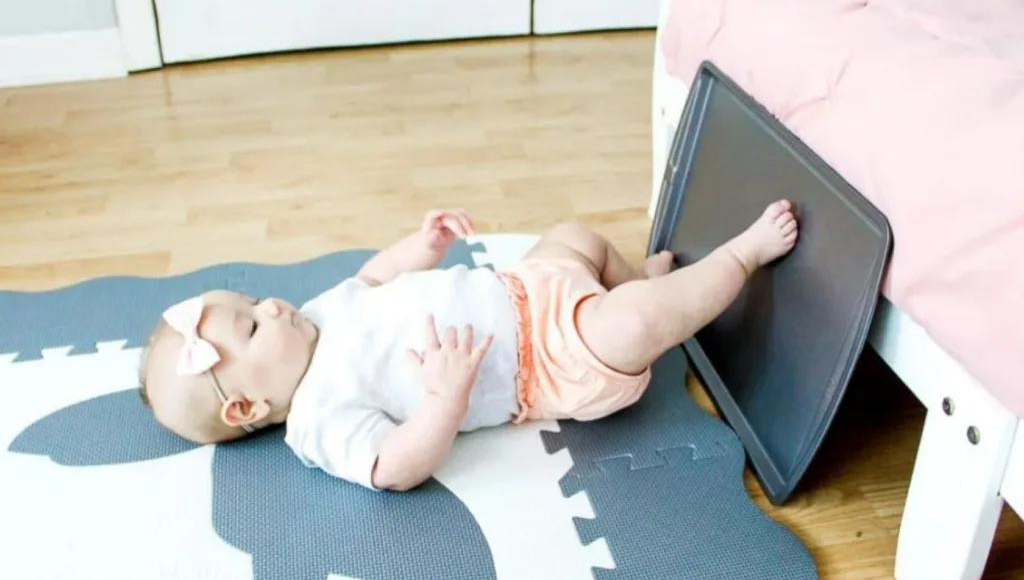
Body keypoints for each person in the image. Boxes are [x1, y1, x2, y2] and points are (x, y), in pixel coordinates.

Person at [139, 202, 798, 491]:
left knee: (576, 235)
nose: (271, 305)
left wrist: (423, 245)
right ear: (247, 405)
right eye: (253, 326)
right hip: (551, 357)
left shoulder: (315, 316)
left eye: (252, 301)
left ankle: (638, 285)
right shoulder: (319, 419)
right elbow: (394, 466)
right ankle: (740, 258)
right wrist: (444, 399)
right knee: (632, 325)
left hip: (523, 283)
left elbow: (373, 276)